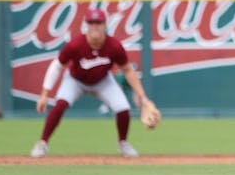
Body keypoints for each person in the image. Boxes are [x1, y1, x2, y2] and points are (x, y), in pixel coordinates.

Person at [30, 8, 152, 158]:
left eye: (98, 22)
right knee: (60, 104)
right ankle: (42, 143)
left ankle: (123, 143)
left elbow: (127, 70)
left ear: (104, 25)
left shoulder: (114, 46)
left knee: (123, 108)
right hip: (76, 80)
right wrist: (44, 94)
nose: (94, 26)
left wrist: (142, 95)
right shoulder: (75, 45)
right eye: (91, 22)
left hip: (102, 81)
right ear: (86, 25)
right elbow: (57, 66)